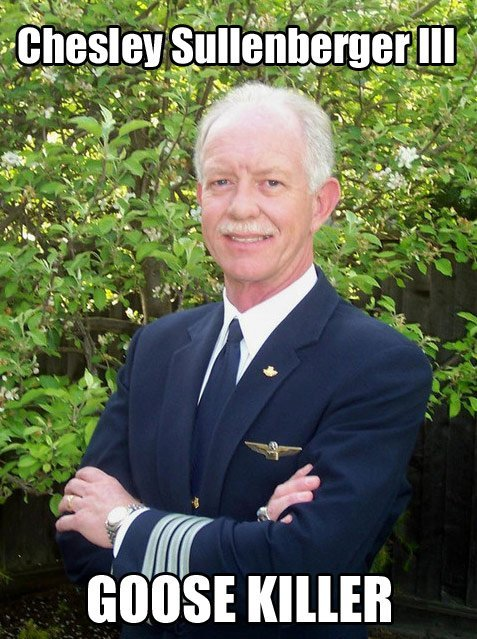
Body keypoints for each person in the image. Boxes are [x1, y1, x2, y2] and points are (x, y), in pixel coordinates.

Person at [56, 82, 432, 638]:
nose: (241, 208)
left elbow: (306, 571)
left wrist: (125, 523)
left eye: (271, 182)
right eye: (221, 182)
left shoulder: (379, 367)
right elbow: (77, 543)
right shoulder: (156, 348)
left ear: (321, 203)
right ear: (200, 197)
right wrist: (257, 537)